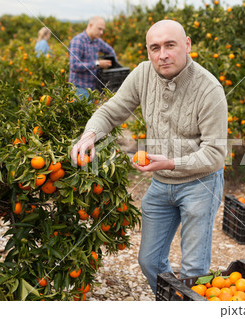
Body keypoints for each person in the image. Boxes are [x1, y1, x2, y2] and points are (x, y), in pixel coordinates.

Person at [71, 20, 227, 294]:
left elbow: (214, 155)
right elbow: (111, 111)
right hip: (161, 183)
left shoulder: (209, 89)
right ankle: (172, 302)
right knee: (149, 260)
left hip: (200, 185)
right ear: (148, 51)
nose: (162, 54)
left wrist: (171, 162)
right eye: (155, 48)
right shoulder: (143, 74)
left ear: (187, 45)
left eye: (170, 45)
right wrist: (89, 134)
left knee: (194, 270)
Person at [69, 16, 117, 98]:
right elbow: (74, 65)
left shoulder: (97, 41)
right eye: (99, 29)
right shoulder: (77, 41)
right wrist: (97, 64)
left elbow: (110, 50)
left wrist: (114, 65)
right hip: (78, 89)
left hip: (92, 88)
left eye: (102, 30)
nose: (101, 32)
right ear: (90, 25)